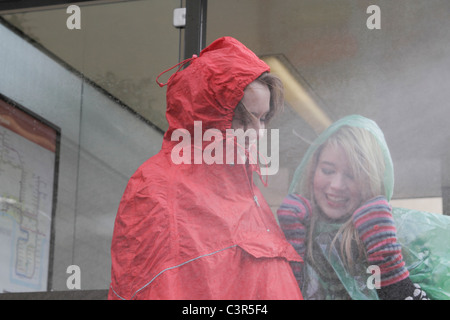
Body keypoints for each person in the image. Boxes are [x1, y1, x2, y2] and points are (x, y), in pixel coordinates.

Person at [108, 36, 303, 300]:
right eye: (246, 119)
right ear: (209, 116)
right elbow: (148, 288)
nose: (259, 132)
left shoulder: (246, 189)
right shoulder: (159, 185)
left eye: (263, 118)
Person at [277, 115, 429, 300]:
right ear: (313, 170)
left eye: (352, 175)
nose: (337, 185)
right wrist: (290, 251)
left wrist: (389, 265)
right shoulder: (298, 230)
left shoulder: (405, 236)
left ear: (370, 180)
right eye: (327, 170)